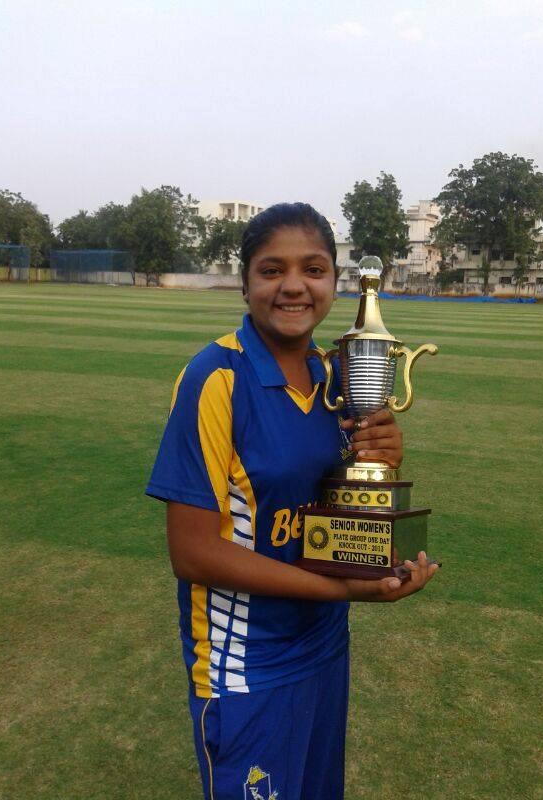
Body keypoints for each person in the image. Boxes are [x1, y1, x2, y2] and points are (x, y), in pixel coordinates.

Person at [146, 202, 438, 800]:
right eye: (272, 269)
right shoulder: (216, 377)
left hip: (325, 646)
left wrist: (383, 462)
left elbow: (331, 508)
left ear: (335, 280)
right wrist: (344, 589)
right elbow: (194, 553)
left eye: (314, 268)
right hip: (245, 663)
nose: (294, 286)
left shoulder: (334, 377)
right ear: (246, 279)